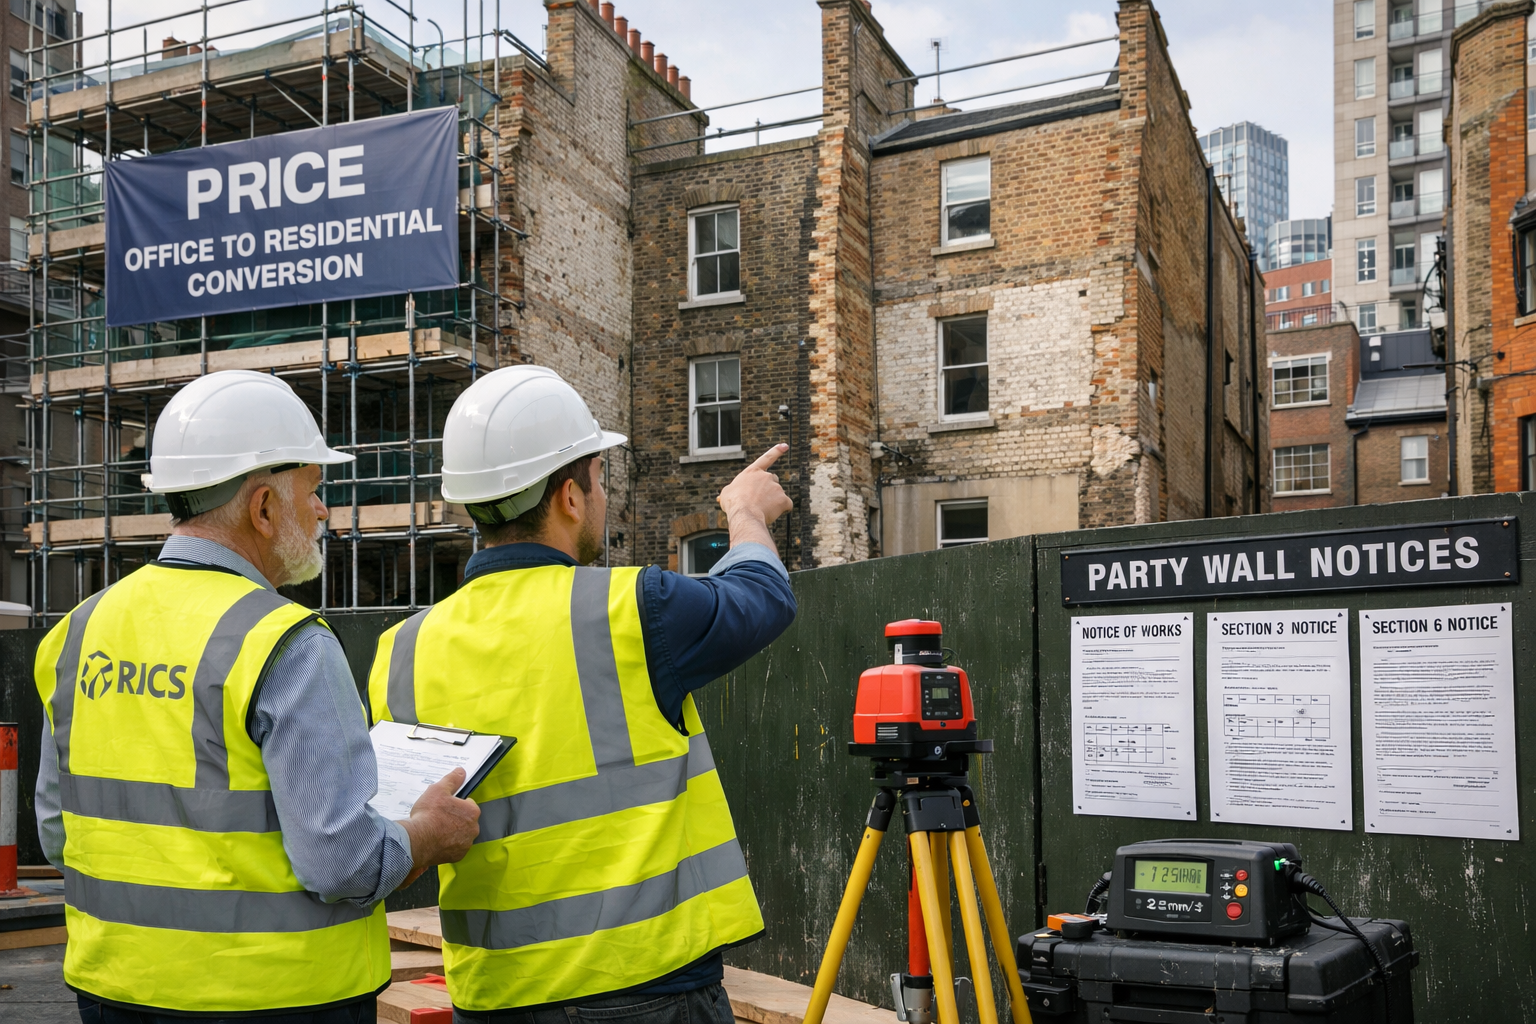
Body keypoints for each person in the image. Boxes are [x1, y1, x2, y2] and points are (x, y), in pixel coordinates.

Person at [33, 369, 483, 1022]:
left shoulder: (78, 632)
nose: (324, 510)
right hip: (276, 999)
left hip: (113, 992)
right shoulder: (284, 642)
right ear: (263, 508)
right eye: (314, 490)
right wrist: (428, 835)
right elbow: (344, 863)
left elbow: (57, 833)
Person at [367, 365, 796, 1024]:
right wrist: (744, 510)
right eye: (600, 477)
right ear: (570, 495)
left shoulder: (402, 650)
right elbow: (762, 598)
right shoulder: (632, 607)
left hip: (496, 998)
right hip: (649, 991)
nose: (603, 494)